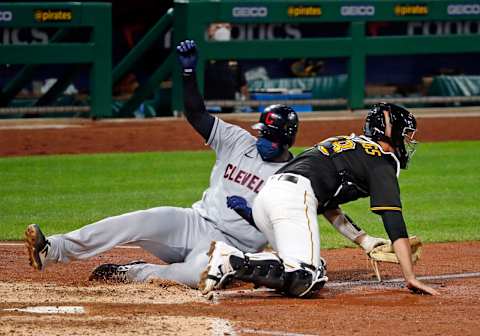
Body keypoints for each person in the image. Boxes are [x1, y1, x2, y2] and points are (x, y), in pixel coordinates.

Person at [23, 39, 299, 288]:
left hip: (231, 248)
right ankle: (53, 249)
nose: (261, 140)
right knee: (136, 221)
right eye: (261, 133)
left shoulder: (294, 178)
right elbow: (196, 114)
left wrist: (251, 215)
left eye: (269, 138)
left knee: (197, 276)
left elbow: (284, 231)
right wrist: (188, 74)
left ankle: (135, 273)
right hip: (195, 222)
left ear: (285, 142)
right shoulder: (239, 140)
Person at [200, 102, 440, 297]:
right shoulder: (380, 160)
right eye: (406, 134)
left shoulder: (349, 145)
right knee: (305, 276)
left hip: (270, 195)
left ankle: (253, 263)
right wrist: (410, 276)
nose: (408, 141)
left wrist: (364, 240)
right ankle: (230, 260)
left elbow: (328, 205)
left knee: (312, 271)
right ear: (390, 132)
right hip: (292, 198)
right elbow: (394, 221)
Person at [204, 23, 249, 113]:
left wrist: (246, 103)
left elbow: (243, 85)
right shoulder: (202, 51)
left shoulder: (234, 53)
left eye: (227, 27)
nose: (223, 31)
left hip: (229, 107)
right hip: (206, 107)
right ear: (209, 31)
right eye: (218, 27)